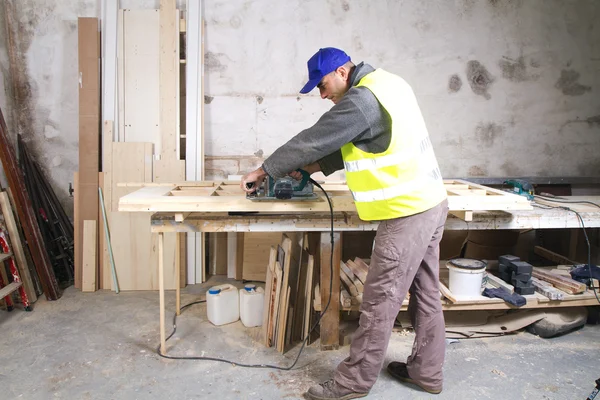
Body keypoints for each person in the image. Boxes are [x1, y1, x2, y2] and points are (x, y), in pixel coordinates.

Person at [241, 47, 449, 400]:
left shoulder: (361, 100)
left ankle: (351, 384)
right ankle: (426, 372)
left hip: (406, 213)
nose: (322, 96)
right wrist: (310, 168)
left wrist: (265, 169)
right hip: (430, 203)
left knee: (379, 300)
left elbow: (316, 137)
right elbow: (361, 142)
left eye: (322, 86)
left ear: (341, 71)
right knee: (427, 293)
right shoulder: (387, 83)